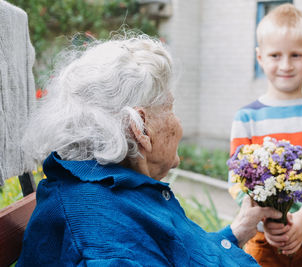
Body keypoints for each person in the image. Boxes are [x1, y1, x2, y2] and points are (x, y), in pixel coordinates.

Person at [16, 34, 283, 266]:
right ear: (140, 128)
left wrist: (238, 230)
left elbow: (175, 252)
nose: (179, 124)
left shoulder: (112, 191)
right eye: (170, 109)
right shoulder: (102, 237)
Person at [228, 4, 302, 267]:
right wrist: (266, 220)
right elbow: (237, 181)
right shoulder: (246, 118)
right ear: (259, 57)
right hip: (262, 238)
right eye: (275, 55)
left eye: (296, 55)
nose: (285, 65)